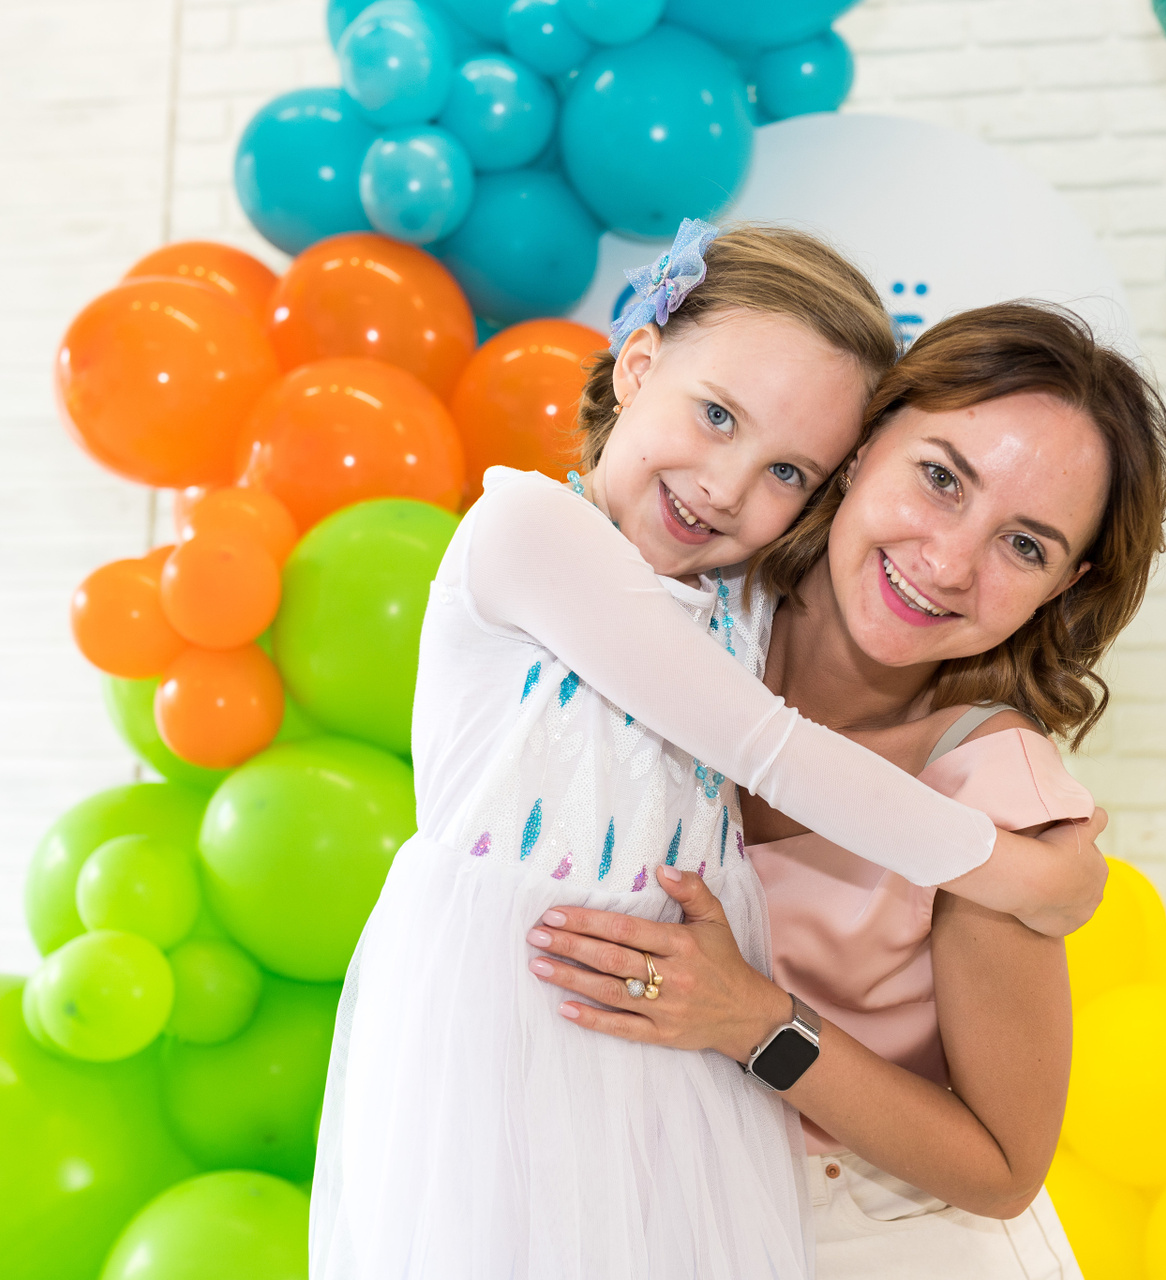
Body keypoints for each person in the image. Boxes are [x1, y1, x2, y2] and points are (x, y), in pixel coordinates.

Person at [309, 228, 1111, 1280]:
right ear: (638, 364)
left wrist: (760, 1020)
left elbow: (1004, 1169)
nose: (728, 488)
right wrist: (1031, 875)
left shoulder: (729, 605)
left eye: (784, 469)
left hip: (805, 1191)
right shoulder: (557, 540)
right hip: (518, 1042)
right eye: (718, 416)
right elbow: (765, 745)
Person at [525, 302, 1166, 1278]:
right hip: (650, 1219)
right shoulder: (686, 617)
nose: (947, 563)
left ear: (1063, 586)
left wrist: (755, 1020)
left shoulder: (992, 785)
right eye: (941, 478)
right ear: (865, 443)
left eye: (1025, 546)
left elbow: (1004, 1167)